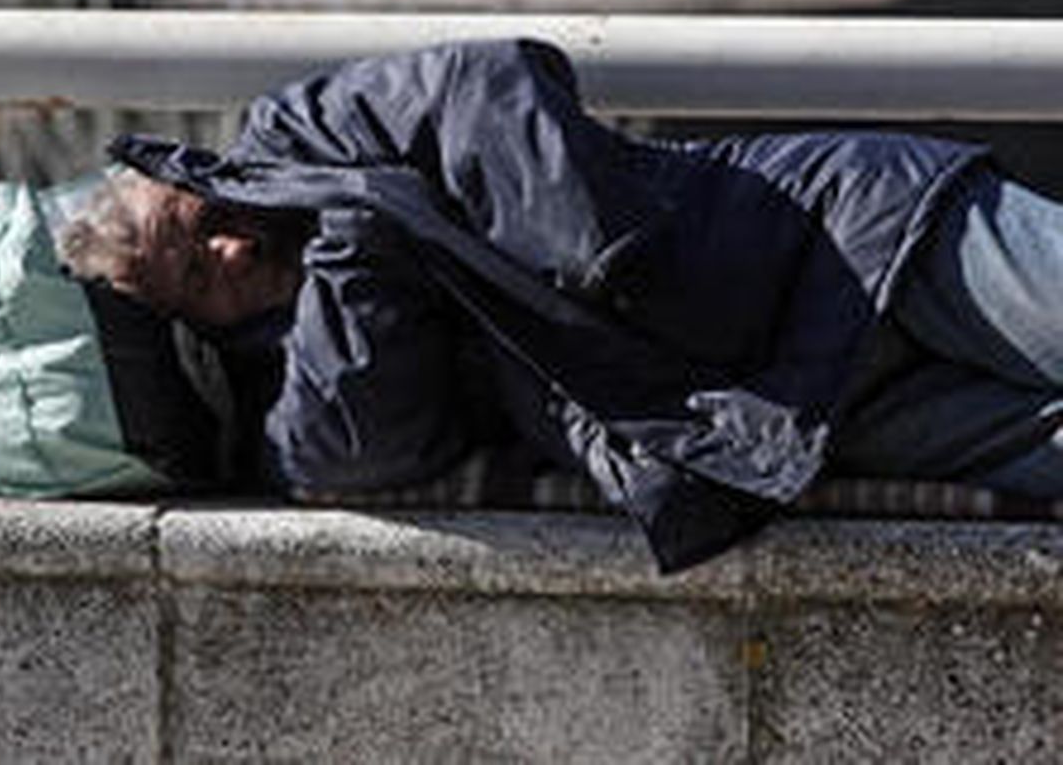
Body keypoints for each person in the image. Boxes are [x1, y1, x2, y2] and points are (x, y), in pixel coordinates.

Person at [58, 39, 1063, 571]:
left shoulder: (295, 133)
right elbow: (364, 444)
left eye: (205, 220)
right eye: (199, 274)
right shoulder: (285, 413)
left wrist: (600, 262)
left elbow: (489, 83)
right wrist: (357, 217)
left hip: (844, 230)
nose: (231, 246)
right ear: (191, 330)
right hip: (773, 410)